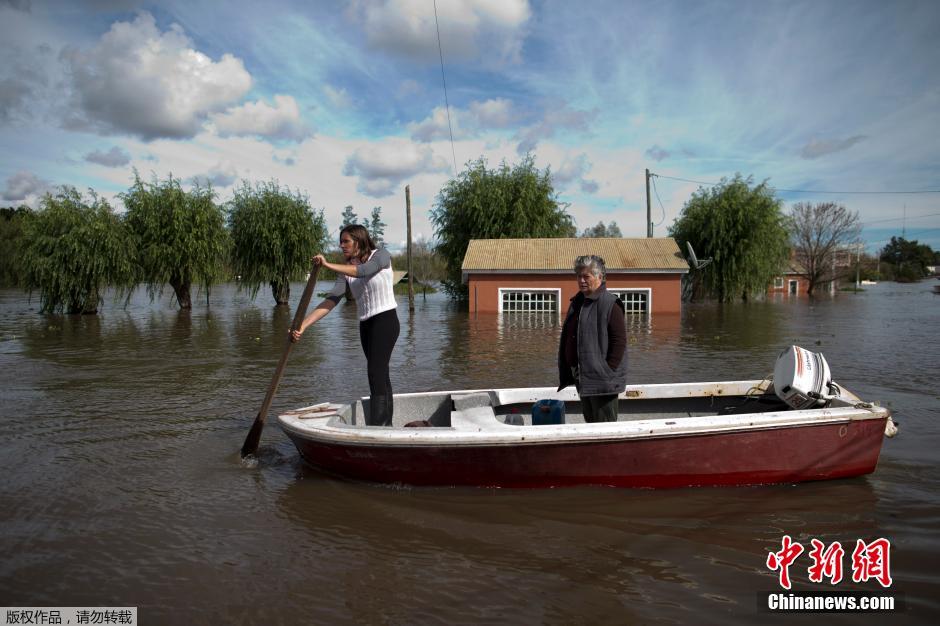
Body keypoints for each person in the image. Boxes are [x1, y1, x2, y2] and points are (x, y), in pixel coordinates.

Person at [290, 224, 400, 426]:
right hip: (366, 325)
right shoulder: (346, 271)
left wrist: (327, 264)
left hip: (386, 321)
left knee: (375, 371)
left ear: (359, 241)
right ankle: (387, 424)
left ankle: (379, 428)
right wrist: (303, 325)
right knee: (380, 373)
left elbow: (365, 270)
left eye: (345, 241)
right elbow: (331, 300)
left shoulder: (381, 255)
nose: (341, 246)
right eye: (340, 242)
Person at [557, 255, 627, 422]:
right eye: (578, 276)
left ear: (599, 277)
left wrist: (607, 371)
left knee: (604, 428)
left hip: (602, 380)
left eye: (586, 276)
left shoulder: (610, 303)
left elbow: (619, 341)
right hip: (582, 375)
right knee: (590, 422)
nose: (581, 280)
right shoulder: (578, 302)